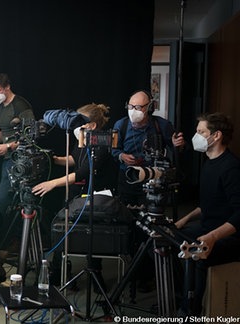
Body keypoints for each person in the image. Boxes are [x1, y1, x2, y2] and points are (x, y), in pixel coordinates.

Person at [32, 103, 118, 291]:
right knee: (59, 225)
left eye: (79, 123)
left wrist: (52, 183)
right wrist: (51, 158)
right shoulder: (82, 140)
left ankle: (95, 272)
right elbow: (73, 160)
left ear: (92, 126)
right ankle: (59, 269)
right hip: (80, 194)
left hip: (99, 198)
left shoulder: (101, 144)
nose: (74, 126)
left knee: (91, 232)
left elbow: (82, 173)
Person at [111, 90, 185, 292]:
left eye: (139, 107)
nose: (134, 111)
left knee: (150, 230)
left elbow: (175, 146)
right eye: (131, 107)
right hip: (127, 181)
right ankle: (130, 271)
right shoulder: (121, 125)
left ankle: (147, 275)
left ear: (148, 108)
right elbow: (113, 149)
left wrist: (178, 145)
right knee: (129, 226)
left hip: (152, 183)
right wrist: (122, 157)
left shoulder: (161, 126)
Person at [174, 112, 240, 316]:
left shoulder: (232, 168)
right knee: (169, 239)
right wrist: (183, 220)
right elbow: (207, 204)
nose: (197, 136)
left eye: (201, 132)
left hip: (229, 236)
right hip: (207, 227)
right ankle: (181, 299)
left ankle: (190, 312)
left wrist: (212, 237)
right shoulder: (208, 163)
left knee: (197, 254)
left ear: (217, 135)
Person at [0, 73, 35, 248]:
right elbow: (4, 133)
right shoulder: (2, 107)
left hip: (22, 160)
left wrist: (9, 147)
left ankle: (19, 237)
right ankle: (13, 238)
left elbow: (31, 135)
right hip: (9, 161)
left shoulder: (21, 105)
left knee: (5, 200)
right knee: (3, 201)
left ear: (7, 87)